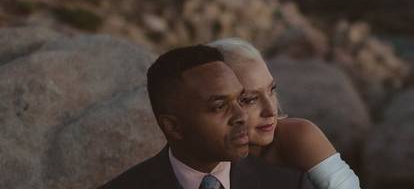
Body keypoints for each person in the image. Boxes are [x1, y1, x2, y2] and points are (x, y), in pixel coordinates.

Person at [99, 44, 310, 188]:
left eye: (240, 99)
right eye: (219, 106)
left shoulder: (288, 184)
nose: (241, 116)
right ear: (173, 127)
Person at [209, 38, 362, 189]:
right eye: (250, 99)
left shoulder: (300, 137)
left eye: (271, 90)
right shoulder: (204, 157)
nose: (271, 110)